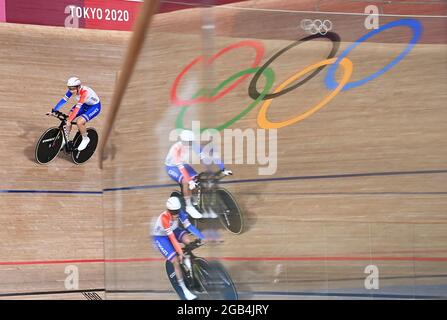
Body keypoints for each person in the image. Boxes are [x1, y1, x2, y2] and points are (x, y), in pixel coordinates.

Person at [165, 129, 232, 219]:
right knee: (186, 181)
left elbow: (206, 159)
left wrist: (222, 168)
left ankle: (194, 199)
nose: (191, 144)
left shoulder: (194, 145)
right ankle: (189, 206)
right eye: (189, 142)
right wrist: (190, 182)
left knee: (198, 179)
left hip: (183, 164)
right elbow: (181, 169)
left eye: (192, 142)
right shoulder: (176, 150)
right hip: (172, 167)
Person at [152, 196, 205, 300]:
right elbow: (171, 238)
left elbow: (189, 226)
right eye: (173, 212)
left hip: (174, 230)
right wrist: (180, 252)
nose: (175, 215)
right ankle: (184, 289)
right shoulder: (164, 218)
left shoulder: (179, 212)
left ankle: (191, 263)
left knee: (189, 242)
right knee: (176, 260)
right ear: (168, 211)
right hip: (161, 238)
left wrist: (202, 236)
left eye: (177, 211)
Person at [52, 77, 101, 151]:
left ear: (78, 87)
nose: (71, 91)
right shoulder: (72, 91)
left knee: (79, 122)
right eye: (70, 88)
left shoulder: (84, 92)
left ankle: (85, 139)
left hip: (94, 107)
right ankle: (65, 139)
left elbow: (78, 107)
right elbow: (63, 100)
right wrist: (54, 110)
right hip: (83, 105)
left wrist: (70, 120)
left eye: (73, 89)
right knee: (67, 118)